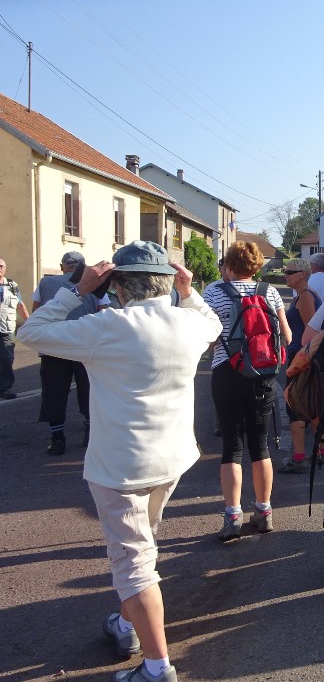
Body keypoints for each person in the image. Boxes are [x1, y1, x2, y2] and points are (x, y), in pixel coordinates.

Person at [17, 241, 222, 682]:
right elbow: (213, 321)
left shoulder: (107, 325)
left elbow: (30, 334)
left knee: (134, 565)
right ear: (166, 283)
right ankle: (128, 625)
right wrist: (189, 292)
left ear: (118, 287)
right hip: (171, 458)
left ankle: (156, 667)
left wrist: (78, 287)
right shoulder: (187, 322)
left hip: (120, 466)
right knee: (141, 549)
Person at [203, 241, 290, 542]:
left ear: (228, 265)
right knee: (260, 444)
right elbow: (287, 336)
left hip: (227, 372)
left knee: (231, 444)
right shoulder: (270, 291)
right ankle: (264, 512)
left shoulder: (214, 292)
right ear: (256, 266)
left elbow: (208, 340)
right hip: (262, 374)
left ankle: (232, 517)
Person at [32, 251, 110, 454]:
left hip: (53, 345)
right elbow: (103, 314)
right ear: (84, 268)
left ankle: (57, 438)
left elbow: (36, 312)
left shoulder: (45, 283)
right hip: (85, 345)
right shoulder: (95, 285)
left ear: (61, 266)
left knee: (54, 391)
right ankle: (89, 432)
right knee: (88, 387)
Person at [277, 258, 324, 473]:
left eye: (290, 272)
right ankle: (319, 452)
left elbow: (311, 333)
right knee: (312, 407)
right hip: (307, 360)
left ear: (303, 274)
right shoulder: (305, 295)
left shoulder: (305, 297)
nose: (285, 275)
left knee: (296, 407)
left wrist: (302, 362)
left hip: (302, 360)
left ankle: (299, 457)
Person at [0, 257, 29, 399]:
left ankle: (4, 388)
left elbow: (20, 305)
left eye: (1, 266)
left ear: (5, 269)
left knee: (7, 359)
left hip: (7, 330)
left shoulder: (12, 285)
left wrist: (29, 321)